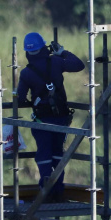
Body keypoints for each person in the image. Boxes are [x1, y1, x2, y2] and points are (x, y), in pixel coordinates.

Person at [16, 32, 85, 202]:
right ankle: (58, 191)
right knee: (57, 154)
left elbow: (20, 97)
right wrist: (62, 52)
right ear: (43, 48)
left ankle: (46, 191)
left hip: (42, 120)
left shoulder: (26, 73)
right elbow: (78, 65)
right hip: (61, 117)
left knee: (44, 155)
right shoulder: (55, 61)